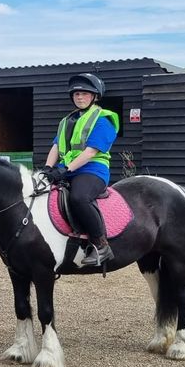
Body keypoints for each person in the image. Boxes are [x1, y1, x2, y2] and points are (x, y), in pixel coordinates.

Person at [41, 73, 120, 266]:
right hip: (66, 169)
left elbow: (91, 152)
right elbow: (56, 147)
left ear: (95, 96)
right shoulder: (66, 121)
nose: (80, 97)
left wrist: (66, 169)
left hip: (93, 170)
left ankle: (101, 246)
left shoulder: (103, 119)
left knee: (79, 197)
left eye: (85, 93)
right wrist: (48, 168)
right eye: (76, 94)